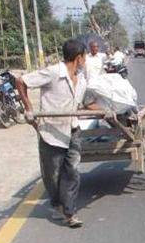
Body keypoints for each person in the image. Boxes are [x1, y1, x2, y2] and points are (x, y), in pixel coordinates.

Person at [17, 39, 105, 228]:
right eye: (84, 57)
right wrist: (28, 108)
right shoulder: (54, 72)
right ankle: (58, 204)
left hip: (72, 129)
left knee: (72, 172)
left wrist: (106, 111)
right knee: (53, 176)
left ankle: (69, 212)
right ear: (79, 57)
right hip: (51, 132)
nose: (85, 60)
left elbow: (86, 102)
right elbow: (21, 81)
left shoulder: (81, 79)